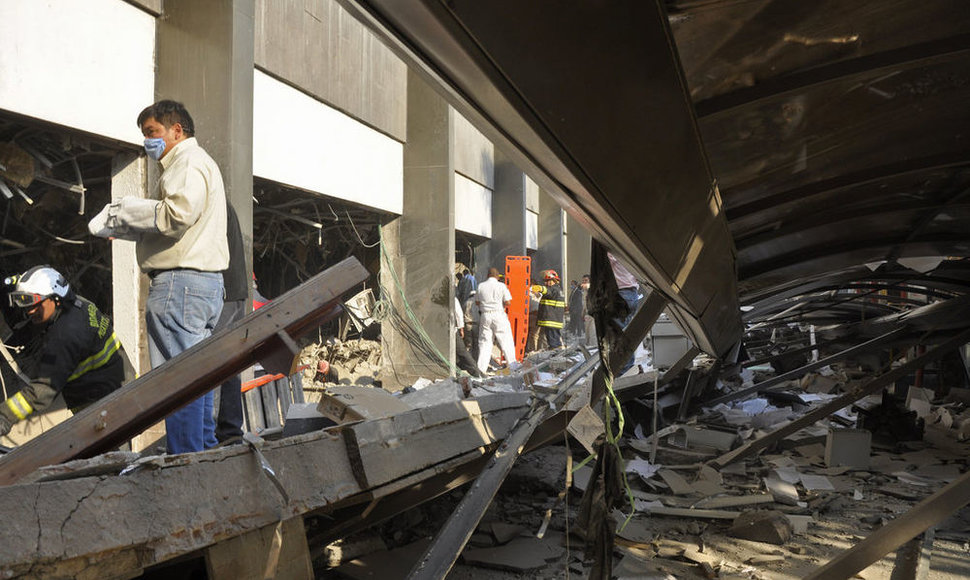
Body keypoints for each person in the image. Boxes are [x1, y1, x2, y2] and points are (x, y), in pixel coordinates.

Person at [89, 100, 228, 454]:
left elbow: (177, 214)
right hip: (201, 286)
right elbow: (179, 221)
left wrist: (128, 213)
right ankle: (202, 455)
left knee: (176, 382)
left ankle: (185, 461)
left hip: (180, 286)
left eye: (152, 133)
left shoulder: (186, 162)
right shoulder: (199, 164)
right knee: (198, 378)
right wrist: (135, 227)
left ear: (176, 131)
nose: (148, 141)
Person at [0, 266, 125, 437]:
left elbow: (43, 389)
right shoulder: (76, 305)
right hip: (118, 385)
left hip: (102, 405)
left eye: (36, 304)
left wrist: (5, 416)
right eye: (25, 303)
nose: (29, 311)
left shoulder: (65, 335)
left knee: (110, 457)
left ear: (55, 299)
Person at [214, 203, 247, 445]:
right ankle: (229, 431)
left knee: (211, 363)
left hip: (224, 293)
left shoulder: (212, 202)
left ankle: (225, 431)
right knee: (228, 364)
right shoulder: (222, 203)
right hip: (232, 291)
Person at [475, 267, 518, 373]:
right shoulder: (501, 286)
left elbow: (477, 302)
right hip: (498, 314)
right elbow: (508, 302)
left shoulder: (481, 286)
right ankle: (513, 366)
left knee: (485, 343)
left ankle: (481, 369)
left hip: (485, 315)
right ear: (497, 276)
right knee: (506, 340)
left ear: (487, 275)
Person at [533, 269, 565, 349]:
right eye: (545, 281)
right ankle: (557, 351)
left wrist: (540, 288)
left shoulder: (554, 289)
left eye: (547, 281)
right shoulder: (558, 290)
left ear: (553, 280)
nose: (545, 283)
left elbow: (548, 292)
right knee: (554, 339)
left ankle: (556, 353)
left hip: (551, 320)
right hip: (553, 320)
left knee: (553, 342)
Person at [453, 296, 483, 377]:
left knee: (467, 347)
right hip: (473, 325)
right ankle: (475, 370)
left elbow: (461, 312)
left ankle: (460, 370)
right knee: (465, 350)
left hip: (467, 324)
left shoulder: (466, 302)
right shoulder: (454, 299)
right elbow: (459, 314)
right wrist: (460, 328)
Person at [463, 289, 480, 361]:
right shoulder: (478, 303)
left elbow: (463, 313)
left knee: (469, 344)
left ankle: (469, 360)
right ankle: (475, 360)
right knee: (476, 344)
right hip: (476, 325)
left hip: (468, 324)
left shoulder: (466, 302)